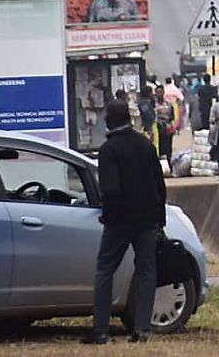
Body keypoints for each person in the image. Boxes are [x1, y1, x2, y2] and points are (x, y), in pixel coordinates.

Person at [85, 100, 165, 345]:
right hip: (147, 219)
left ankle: (100, 330)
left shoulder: (109, 150)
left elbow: (110, 190)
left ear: (110, 120)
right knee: (147, 271)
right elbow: (159, 186)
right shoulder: (145, 144)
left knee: (105, 270)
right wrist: (159, 219)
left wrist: (107, 216)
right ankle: (142, 328)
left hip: (120, 221)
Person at [152, 85, 179, 161]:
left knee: (168, 147)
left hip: (168, 128)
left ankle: (169, 162)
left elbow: (172, 116)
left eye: (160, 92)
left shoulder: (168, 104)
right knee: (160, 148)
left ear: (163, 92)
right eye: (157, 92)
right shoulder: (154, 105)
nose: (159, 94)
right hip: (159, 129)